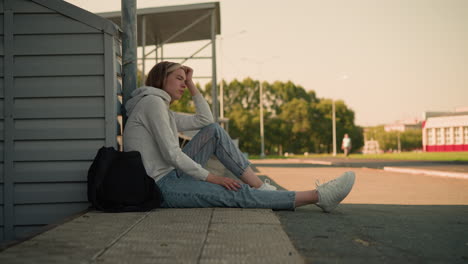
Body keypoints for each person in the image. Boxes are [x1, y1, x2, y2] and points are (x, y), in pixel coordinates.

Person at [123, 61, 355, 212]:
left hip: (171, 175)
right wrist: (215, 178)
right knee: (233, 193)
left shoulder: (162, 108)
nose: (184, 85)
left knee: (213, 132)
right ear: (161, 78)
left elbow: (206, 121)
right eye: (179, 79)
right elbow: (172, 154)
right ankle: (318, 196)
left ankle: (260, 187)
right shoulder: (153, 103)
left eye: (186, 81)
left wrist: (193, 84)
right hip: (161, 185)